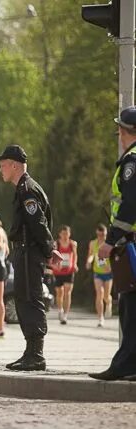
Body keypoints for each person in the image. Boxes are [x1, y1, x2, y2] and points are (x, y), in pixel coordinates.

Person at [0, 145, 60, 371]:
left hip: (29, 253)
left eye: (3, 165)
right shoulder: (23, 188)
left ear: (14, 165)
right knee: (24, 300)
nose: (0, 170)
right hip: (25, 251)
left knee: (31, 300)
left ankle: (36, 354)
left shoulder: (27, 190)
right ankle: (30, 351)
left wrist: (49, 249)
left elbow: (38, 222)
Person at [89, 107, 136, 381]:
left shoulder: (131, 162)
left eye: (119, 129)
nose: (117, 133)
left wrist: (111, 241)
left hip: (130, 245)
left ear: (125, 131)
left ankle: (124, 365)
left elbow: (129, 207)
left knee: (130, 309)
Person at [85, 224, 113, 327]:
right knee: (99, 293)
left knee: (106, 295)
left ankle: (109, 303)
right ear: (97, 234)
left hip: (108, 273)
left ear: (106, 234)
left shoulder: (109, 244)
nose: (101, 237)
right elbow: (91, 254)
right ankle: (100, 318)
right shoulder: (93, 243)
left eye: (103, 235)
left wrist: (111, 267)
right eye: (99, 235)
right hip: (98, 272)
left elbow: (114, 257)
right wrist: (89, 261)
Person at [52, 225, 77, 325]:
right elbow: (53, 256)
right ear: (60, 234)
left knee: (68, 292)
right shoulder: (56, 243)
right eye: (63, 234)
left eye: (67, 234)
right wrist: (55, 266)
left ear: (69, 234)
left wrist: (74, 264)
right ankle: (60, 310)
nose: (65, 236)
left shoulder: (73, 244)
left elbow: (75, 255)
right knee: (59, 292)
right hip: (59, 271)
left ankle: (65, 315)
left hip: (69, 271)